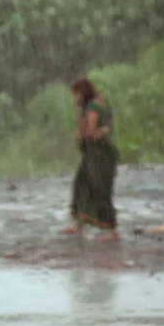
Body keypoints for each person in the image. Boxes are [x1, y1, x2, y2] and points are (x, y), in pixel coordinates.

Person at [60, 78, 120, 241]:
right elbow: (108, 126)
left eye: (77, 94)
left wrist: (82, 136)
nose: (75, 98)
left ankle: (112, 229)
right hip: (101, 152)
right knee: (83, 184)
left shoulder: (92, 107)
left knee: (99, 188)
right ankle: (79, 223)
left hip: (99, 153)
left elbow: (91, 131)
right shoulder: (102, 102)